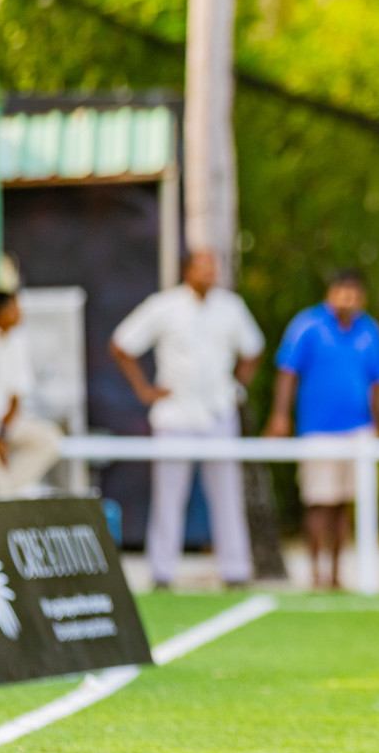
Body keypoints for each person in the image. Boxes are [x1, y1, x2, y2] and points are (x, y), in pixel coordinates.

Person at [109, 251, 265, 589]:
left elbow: (253, 348)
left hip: (218, 412)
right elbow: (122, 344)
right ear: (187, 270)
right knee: (168, 496)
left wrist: (237, 388)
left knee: (227, 494)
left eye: (213, 266)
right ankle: (162, 572)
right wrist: (144, 390)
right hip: (175, 415)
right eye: (202, 266)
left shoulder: (230, 307)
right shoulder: (164, 306)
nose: (209, 273)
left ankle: (235, 570)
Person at [265, 270, 379, 589]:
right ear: (330, 293)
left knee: (344, 503)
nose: (347, 300)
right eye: (342, 292)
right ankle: (315, 574)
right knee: (319, 501)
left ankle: (336, 574)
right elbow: (287, 372)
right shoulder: (307, 325)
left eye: (353, 293)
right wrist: (280, 415)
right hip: (317, 429)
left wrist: (378, 426)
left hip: (358, 430)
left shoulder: (370, 330)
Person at [0, 291, 63, 497]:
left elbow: (16, 395)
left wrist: (4, 434)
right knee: (1, 485)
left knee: (48, 439)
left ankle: (9, 491)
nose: (20, 313)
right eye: (14, 308)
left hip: (5, 424)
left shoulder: (17, 341)